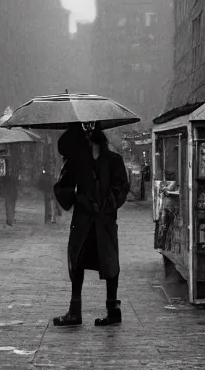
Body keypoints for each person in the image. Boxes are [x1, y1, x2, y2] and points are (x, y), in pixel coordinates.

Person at [52, 125, 130, 327]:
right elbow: (64, 188)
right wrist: (80, 199)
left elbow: (122, 186)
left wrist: (109, 203)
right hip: (83, 223)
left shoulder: (114, 160)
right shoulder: (77, 162)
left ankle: (113, 309)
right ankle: (74, 311)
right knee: (77, 262)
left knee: (111, 263)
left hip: (104, 223)